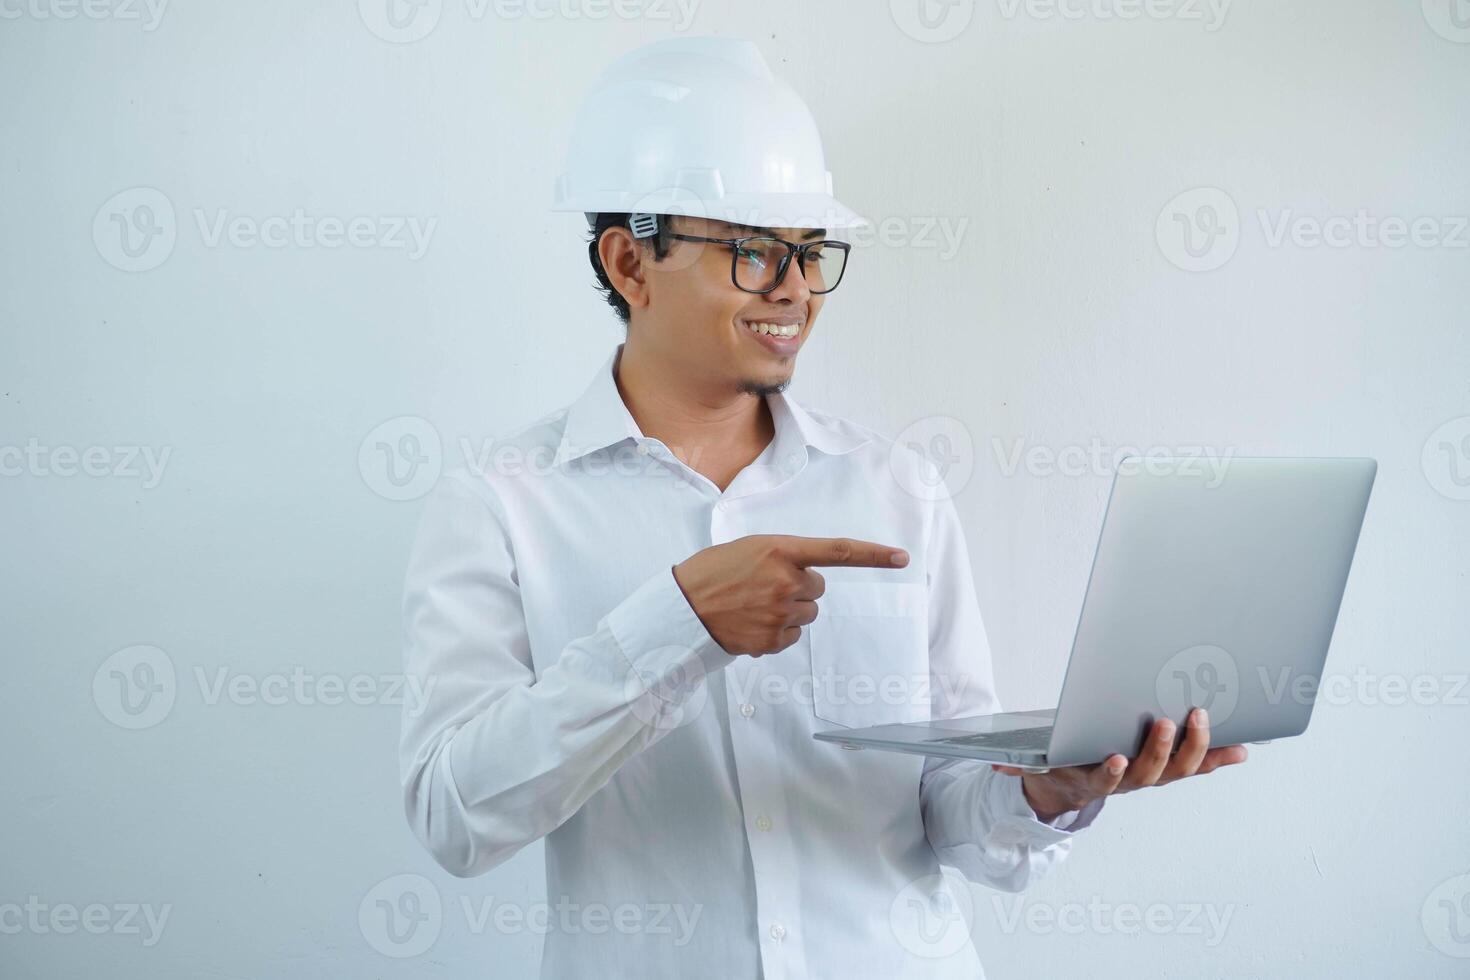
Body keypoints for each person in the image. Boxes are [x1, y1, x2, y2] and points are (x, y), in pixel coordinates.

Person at [398, 36, 1246, 979]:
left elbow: (951, 810)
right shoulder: (500, 505)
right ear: (631, 264)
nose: (796, 290)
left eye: (810, 253)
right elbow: (455, 819)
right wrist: (675, 621)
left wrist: (1045, 789)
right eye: (756, 252)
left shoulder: (895, 490)